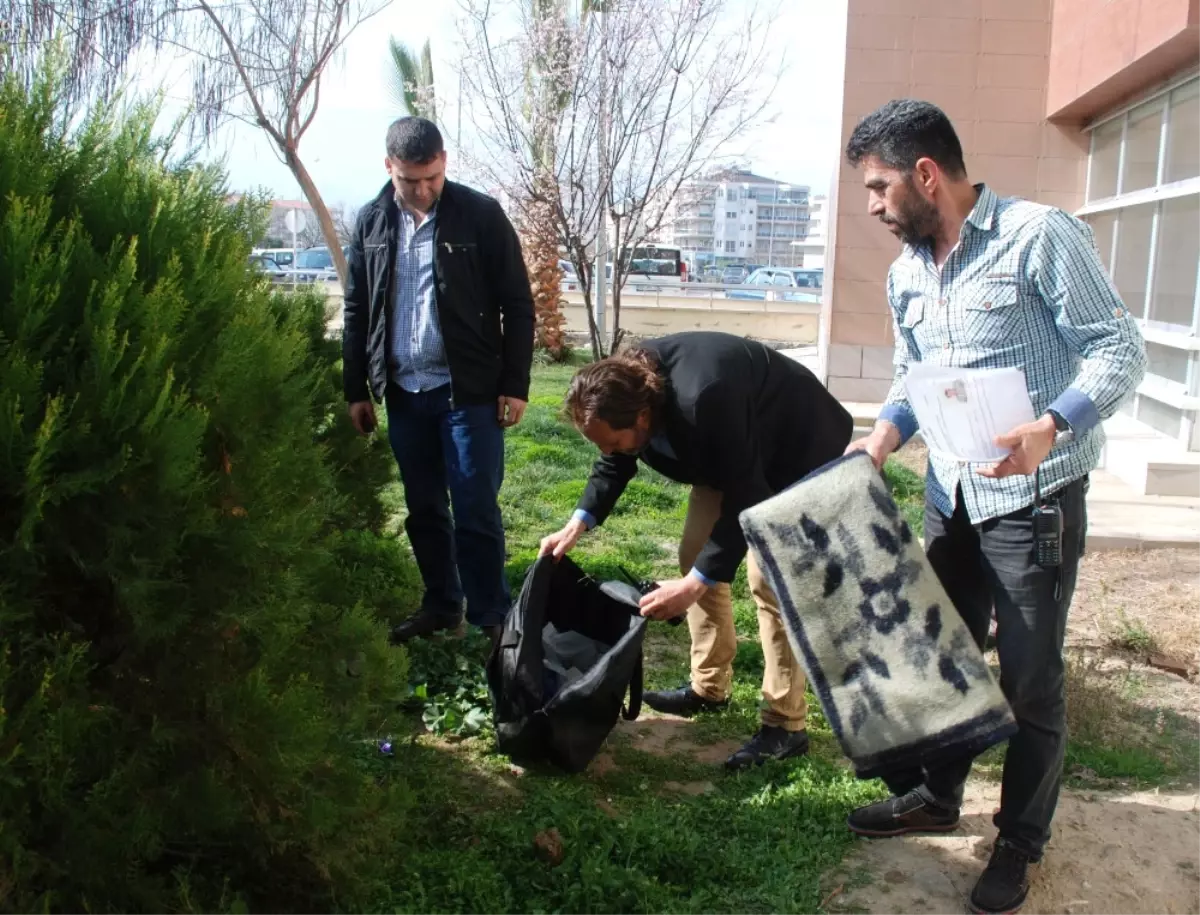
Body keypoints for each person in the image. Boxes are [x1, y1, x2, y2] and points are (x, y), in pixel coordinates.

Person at [842, 99, 1146, 915]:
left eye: (878, 188)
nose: (872, 207)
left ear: (926, 175)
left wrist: (1054, 425)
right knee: (947, 656)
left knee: (1031, 681)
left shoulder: (1040, 236)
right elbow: (912, 374)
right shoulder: (907, 274)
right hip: (952, 495)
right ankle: (939, 794)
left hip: (1033, 499)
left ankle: (1017, 841)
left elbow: (1119, 348)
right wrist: (882, 436)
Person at [539, 332, 854, 770]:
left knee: (771, 582)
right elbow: (616, 461)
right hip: (730, 450)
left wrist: (693, 586)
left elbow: (748, 497)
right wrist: (576, 525)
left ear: (645, 417)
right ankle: (709, 688)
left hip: (798, 446)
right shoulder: (626, 390)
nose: (608, 451)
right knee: (695, 555)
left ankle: (785, 724)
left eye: (612, 440)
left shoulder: (703, 399)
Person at [342, 116, 534, 646]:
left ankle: (492, 618)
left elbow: (518, 305)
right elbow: (357, 308)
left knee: (475, 505)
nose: (423, 190)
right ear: (389, 167)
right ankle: (441, 603)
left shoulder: (481, 215)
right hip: (405, 393)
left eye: (431, 176)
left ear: (444, 160)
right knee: (424, 508)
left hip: (466, 391)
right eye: (410, 180)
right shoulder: (371, 222)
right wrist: (356, 387)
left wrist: (514, 384)